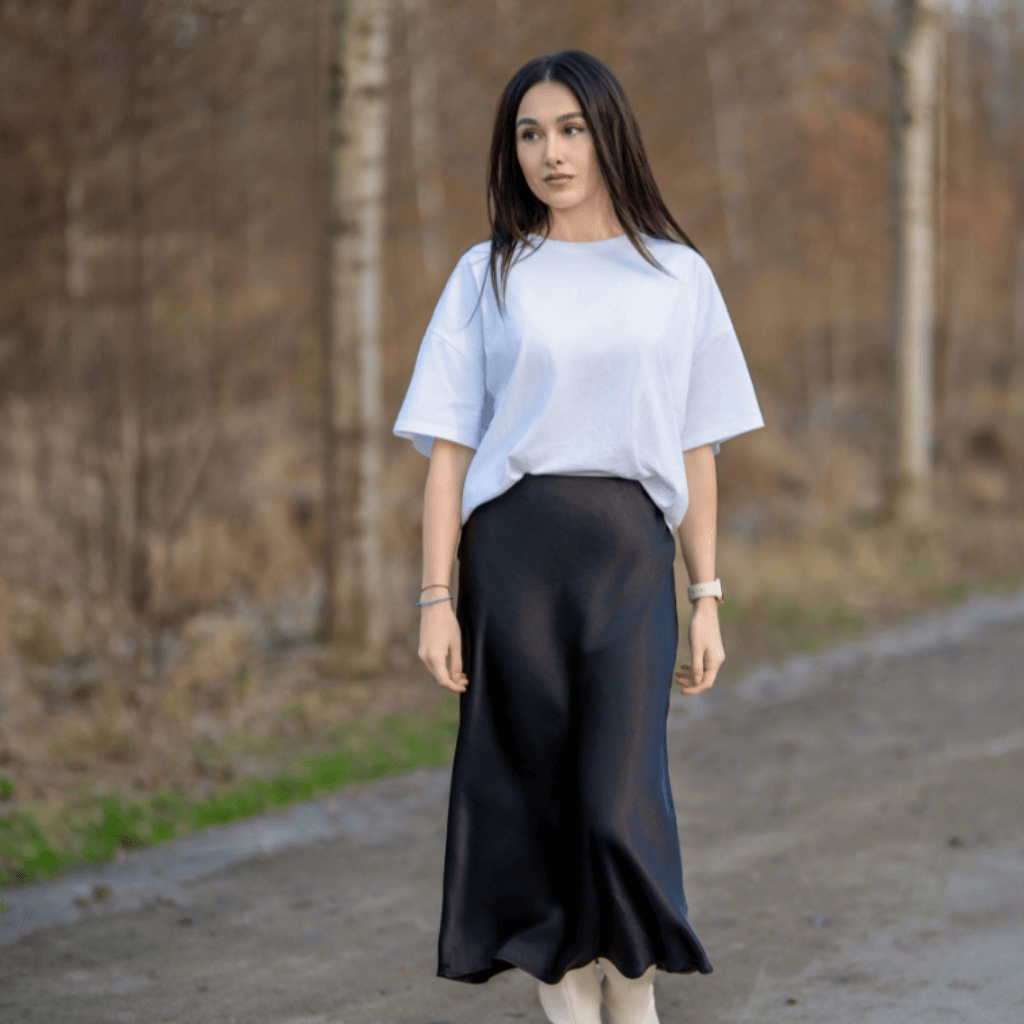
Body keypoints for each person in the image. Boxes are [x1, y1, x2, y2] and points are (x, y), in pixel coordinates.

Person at [392, 49, 764, 1024]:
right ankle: (565, 1004)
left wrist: (706, 594)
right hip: (511, 560)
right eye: (528, 133)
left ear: (608, 135)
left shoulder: (676, 275)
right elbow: (446, 452)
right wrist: (435, 596)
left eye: (568, 129)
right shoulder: (487, 276)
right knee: (533, 796)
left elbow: (696, 448)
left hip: (628, 561)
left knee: (617, 797)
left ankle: (630, 993)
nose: (549, 153)